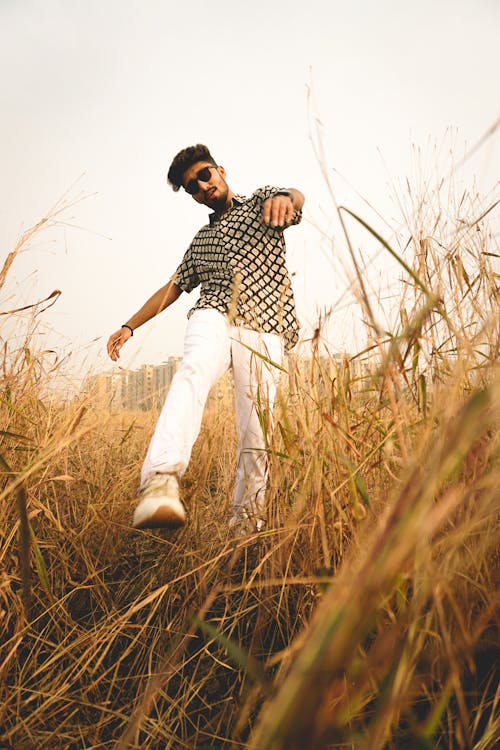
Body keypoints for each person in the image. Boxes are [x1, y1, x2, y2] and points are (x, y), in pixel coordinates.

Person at [106, 144, 304, 534]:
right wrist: (129, 326)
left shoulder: (261, 204)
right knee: (193, 369)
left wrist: (288, 197)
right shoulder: (200, 241)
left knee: (257, 432)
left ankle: (244, 530)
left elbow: (295, 199)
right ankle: (161, 480)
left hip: (265, 326)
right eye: (192, 187)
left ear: (221, 171)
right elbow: (175, 287)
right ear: (193, 197)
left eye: (204, 175)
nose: (202, 187)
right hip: (213, 314)